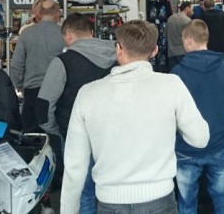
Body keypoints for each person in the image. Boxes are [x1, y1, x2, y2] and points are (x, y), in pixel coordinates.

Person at [60, 20, 209, 214]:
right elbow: (200, 138)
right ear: (154, 51)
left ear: (118, 49)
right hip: (159, 201)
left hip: (110, 203)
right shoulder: (172, 85)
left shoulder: (88, 93)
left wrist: (68, 209)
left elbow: (75, 164)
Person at [36, 13, 116, 213]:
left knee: (82, 192)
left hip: (75, 134)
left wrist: (57, 129)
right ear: (91, 32)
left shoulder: (63, 62)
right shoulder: (118, 56)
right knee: (112, 191)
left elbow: (44, 105)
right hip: (112, 134)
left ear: (69, 35)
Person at [171, 20, 224, 213]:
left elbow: (170, 113)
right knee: (222, 198)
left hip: (186, 148)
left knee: (186, 202)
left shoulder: (176, 74)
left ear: (188, 40)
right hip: (218, 145)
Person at [10, 0, 65, 133]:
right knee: (57, 134)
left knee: (32, 135)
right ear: (57, 14)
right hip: (59, 92)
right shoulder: (64, 34)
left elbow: (17, 64)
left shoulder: (26, 33)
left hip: (32, 92)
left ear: (40, 13)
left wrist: (19, 86)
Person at [166, 1, 193, 70]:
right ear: (187, 8)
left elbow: (165, 34)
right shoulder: (187, 20)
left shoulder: (170, 19)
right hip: (183, 52)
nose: (193, 12)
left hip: (171, 52)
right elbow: (191, 37)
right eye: (192, 9)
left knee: (173, 73)